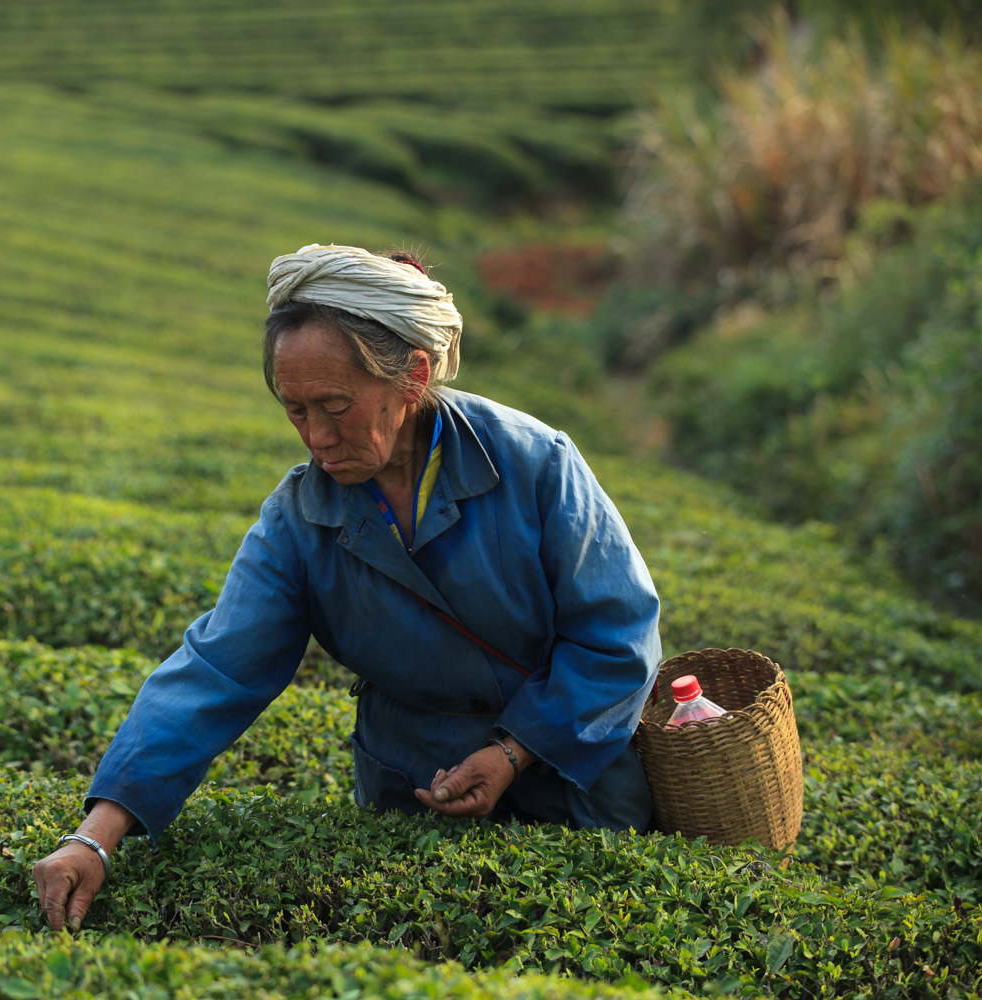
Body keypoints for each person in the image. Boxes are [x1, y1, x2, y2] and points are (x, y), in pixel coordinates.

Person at [33, 243, 661, 931]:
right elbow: (217, 670)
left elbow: (618, 635)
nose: (317, 438)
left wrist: (514, 752)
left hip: (574, 780)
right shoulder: (300, 519)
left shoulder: (535, 464)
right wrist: (97, 833)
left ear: (413, 378)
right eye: (296, 411)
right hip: (417, 795)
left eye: (336, 406)